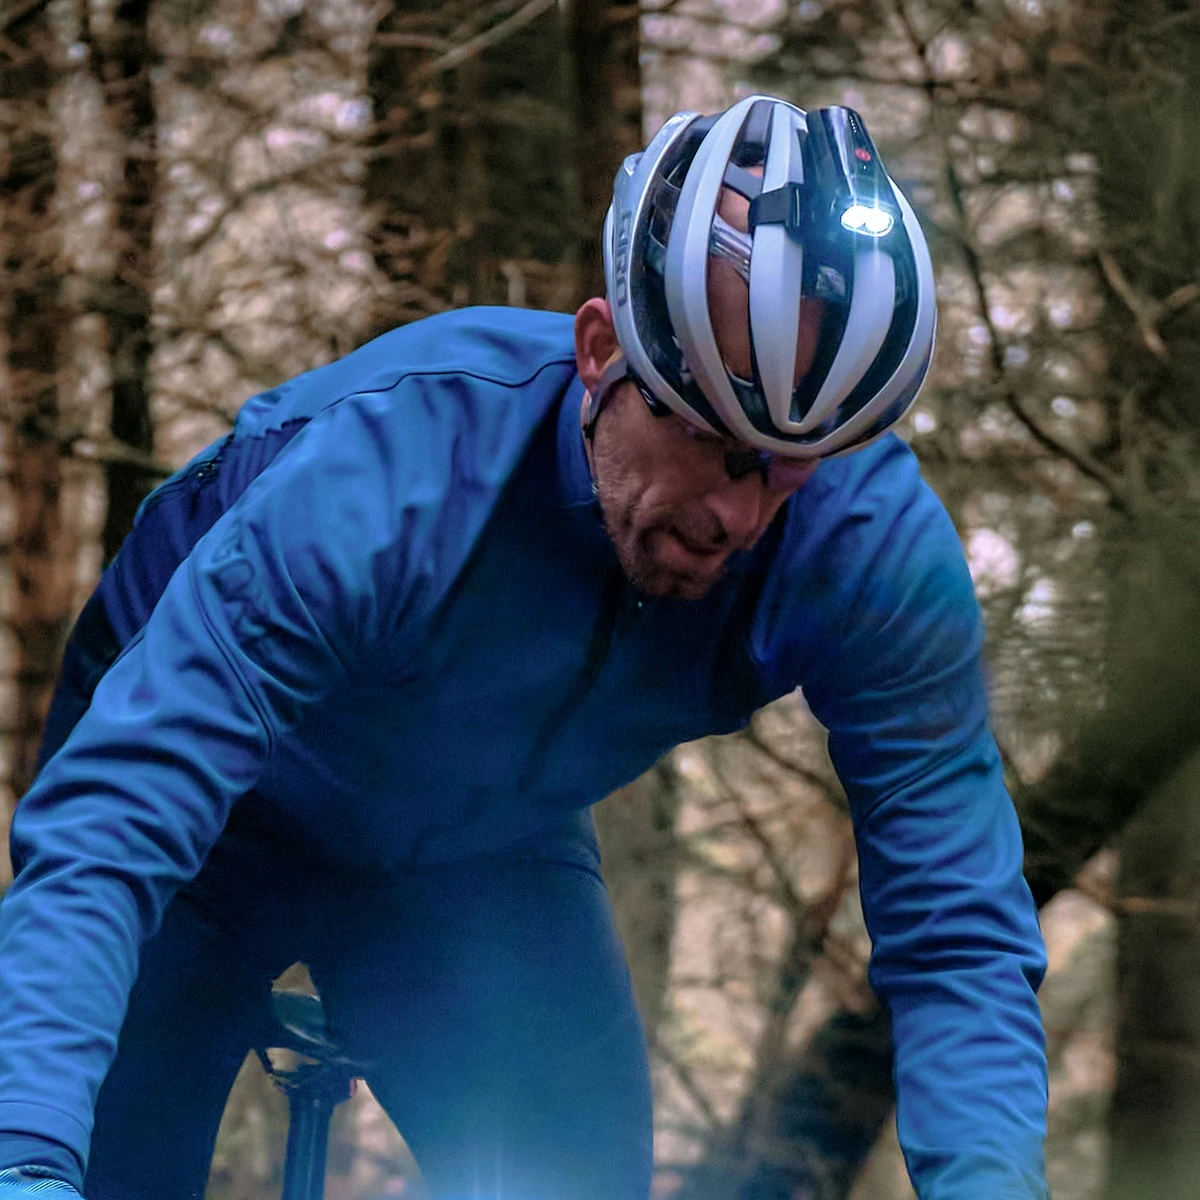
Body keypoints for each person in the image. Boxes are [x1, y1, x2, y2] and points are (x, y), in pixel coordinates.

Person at [0, 95, 1049, 1200]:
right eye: (708, 438)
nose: (738, 515)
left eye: (791, 467)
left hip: (478, 839)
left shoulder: (870, 552)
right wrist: (25, 1156)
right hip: (210, 813)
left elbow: (956, 927)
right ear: (600, 354)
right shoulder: (399, 473)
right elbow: (118, 821)